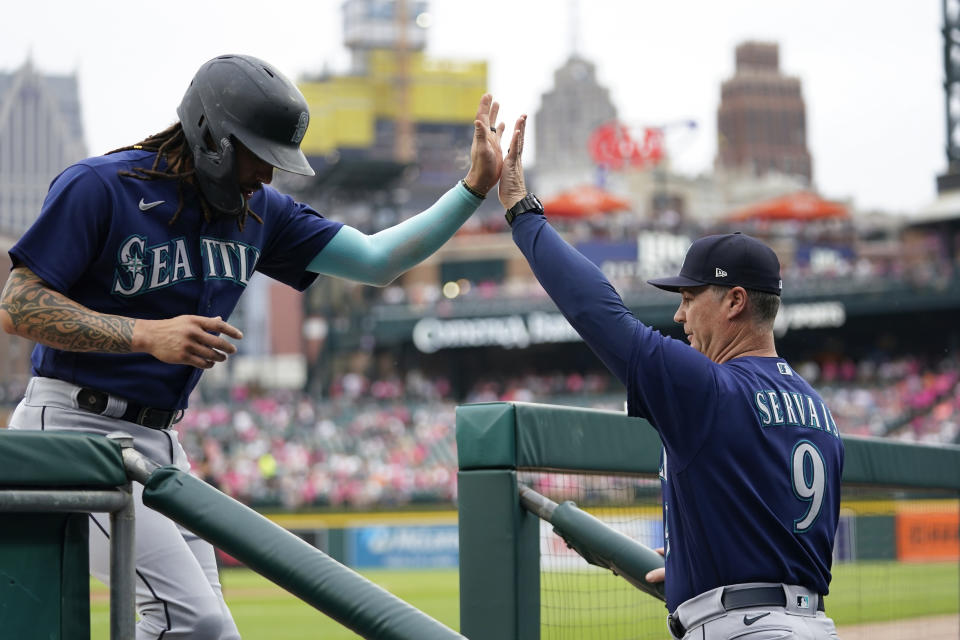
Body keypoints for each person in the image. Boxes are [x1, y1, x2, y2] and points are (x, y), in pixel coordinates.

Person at [0, 53, 505, 639]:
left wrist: (471, 190)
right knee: (195, 622)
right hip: (73, 428)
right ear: (213, 137)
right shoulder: (101, 187)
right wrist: (143, 334)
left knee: (212, 634)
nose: (267, 176)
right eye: (259, 157)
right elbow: (17, 306)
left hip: (160, 441)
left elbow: (377, 261)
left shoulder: (262, 212)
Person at [498, 115, 843, 640]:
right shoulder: (817, 408)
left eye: (687, 298)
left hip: (743, 629)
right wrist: (699, 562)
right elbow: (766, 521)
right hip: (809, 624)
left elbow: (599, 312)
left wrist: (523, 213)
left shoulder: (711, 387)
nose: (679, 316)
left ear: (734, 301)